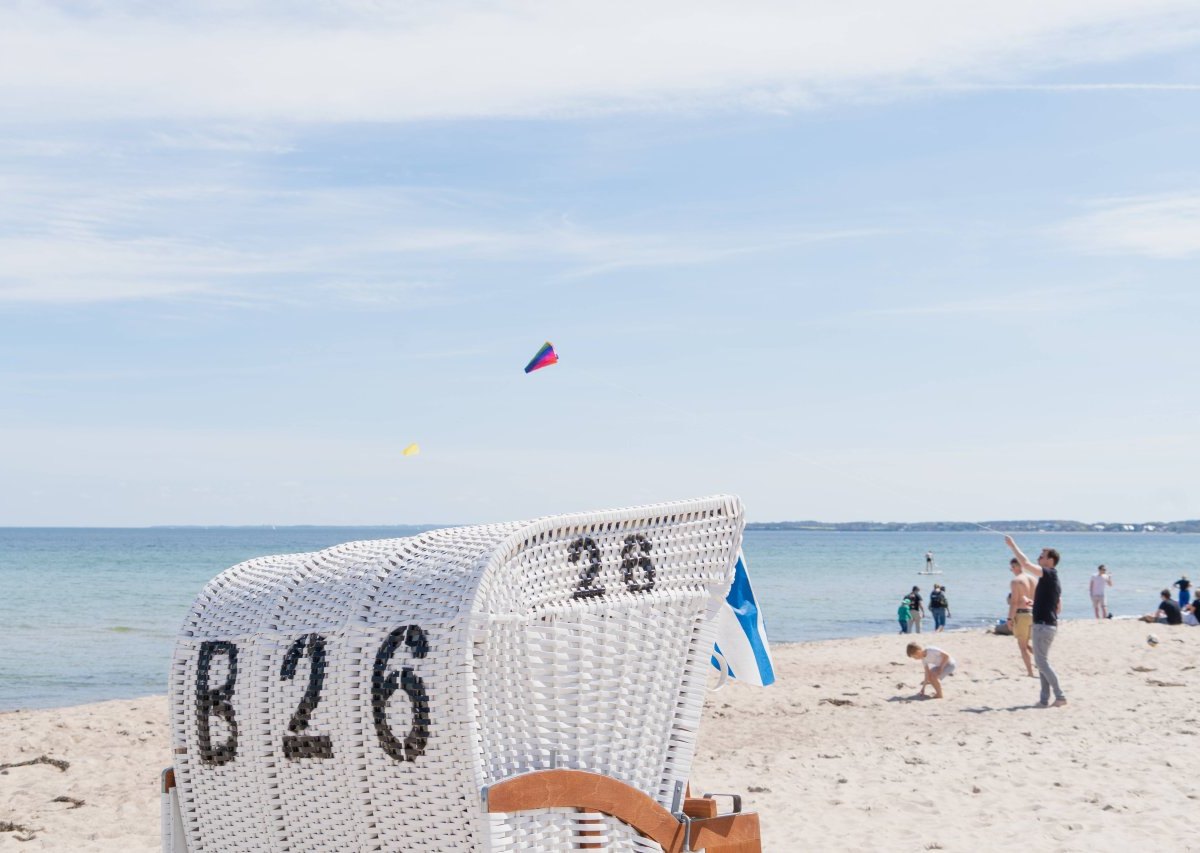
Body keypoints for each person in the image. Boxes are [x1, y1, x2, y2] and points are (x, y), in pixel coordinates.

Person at [1005, 535, 1065, 707]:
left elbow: (1024, 563)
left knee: (1042, 662)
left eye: (1042, 555)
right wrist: (1036, 603)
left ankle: (1060, 696)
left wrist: (1012, 545)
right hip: (1045, 624)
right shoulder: (1050, 578)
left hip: (1044, 625)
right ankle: (1044, 699)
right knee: (1041, 662)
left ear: (1050, 561)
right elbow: (1058, 606)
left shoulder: (1049, 573)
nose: (1039, 557)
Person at [1005, 557, 1037, 678]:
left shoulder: (1016, 581)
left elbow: (1014, 602)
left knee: (1022, 646)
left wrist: (1009, 618)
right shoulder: (1033, 579)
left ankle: (1030, 672)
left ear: (1017, 566)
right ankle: (1041, 664)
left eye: (1012, 567)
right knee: (1027, 644)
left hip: (1022, 614)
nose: (1012, 570)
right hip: (1033, 613)